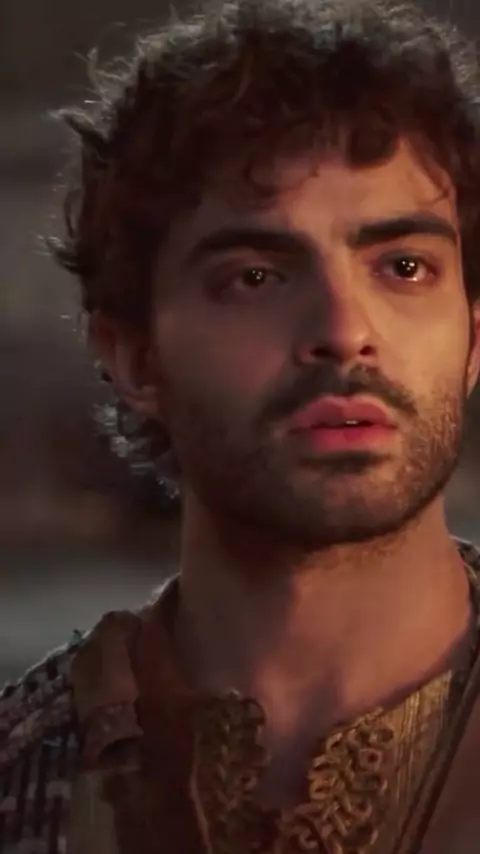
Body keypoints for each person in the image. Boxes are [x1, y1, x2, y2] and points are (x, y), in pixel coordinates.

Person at [3, 0, 480, 850]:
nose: (344, 329)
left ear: (474, 337)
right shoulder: (21, 779)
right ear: (136, 358)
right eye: (256, 277)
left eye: (404, 267)